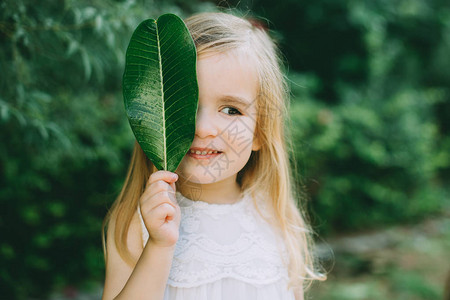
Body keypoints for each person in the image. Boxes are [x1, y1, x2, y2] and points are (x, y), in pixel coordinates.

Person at [101, 11, 326, 300]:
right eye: (188, 105)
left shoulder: (276, 220)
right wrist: (159, 245)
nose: (204, 128)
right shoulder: (139, 222)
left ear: (260, 132)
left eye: (231, 109)